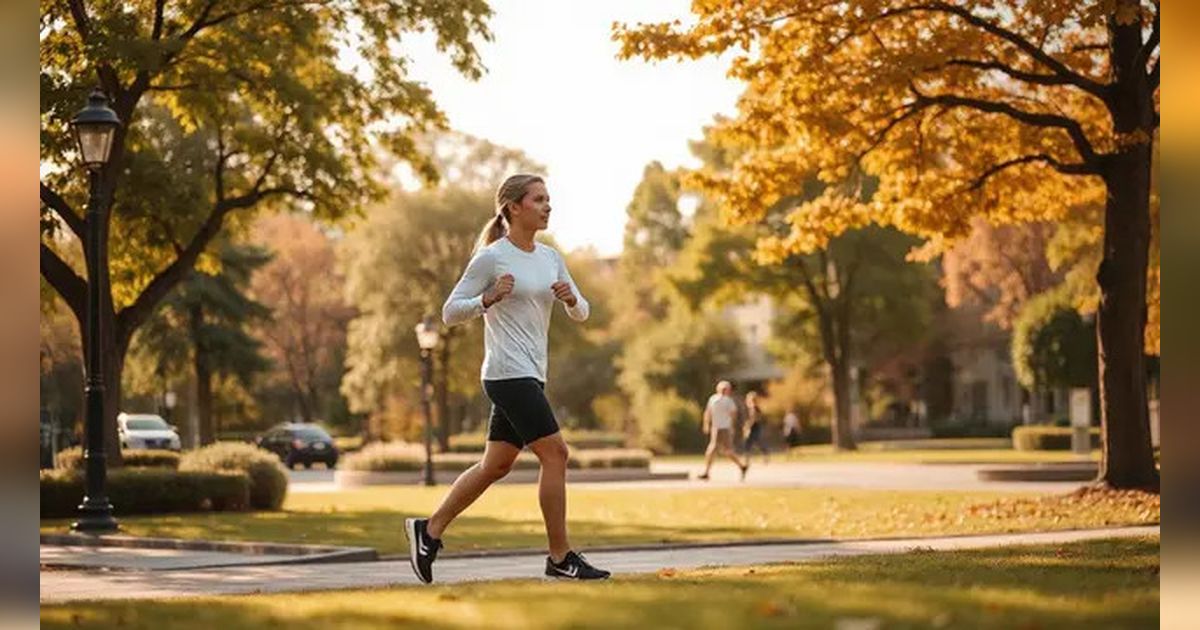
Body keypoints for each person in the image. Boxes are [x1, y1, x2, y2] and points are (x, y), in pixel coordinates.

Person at [404, 174, 610, 583]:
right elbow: (450, 311)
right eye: (538, 200)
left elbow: (582, 310)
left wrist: (571, 300)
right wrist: (488, 298)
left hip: (532, 373)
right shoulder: (492, 257)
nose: (547, 206)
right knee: (557, 455)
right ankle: (559, 557)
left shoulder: (550, 257)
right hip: (505, 373)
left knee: (495, 466)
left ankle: (428, 531)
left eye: (549, 199)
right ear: (514, 207)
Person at [698, 380, 750, 481]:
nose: (723, 390)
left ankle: (742, 466)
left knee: (727, 451)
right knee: (712, 450)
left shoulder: (728, 401)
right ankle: (707, 472)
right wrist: (706, 424)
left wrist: (732, 427)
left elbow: (733, 414)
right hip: (716, 427)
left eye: (725, 389)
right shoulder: (713, 399)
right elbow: (708, 412)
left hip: (725, 427)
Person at [742, 391, 769, 464]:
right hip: (756, 426)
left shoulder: (753, 408)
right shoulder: (756, 407)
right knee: (756, 442)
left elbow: (753, 419)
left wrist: (747, 427)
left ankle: (747, 460)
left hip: (753, 427)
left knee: (749, 442)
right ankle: (764, 455)